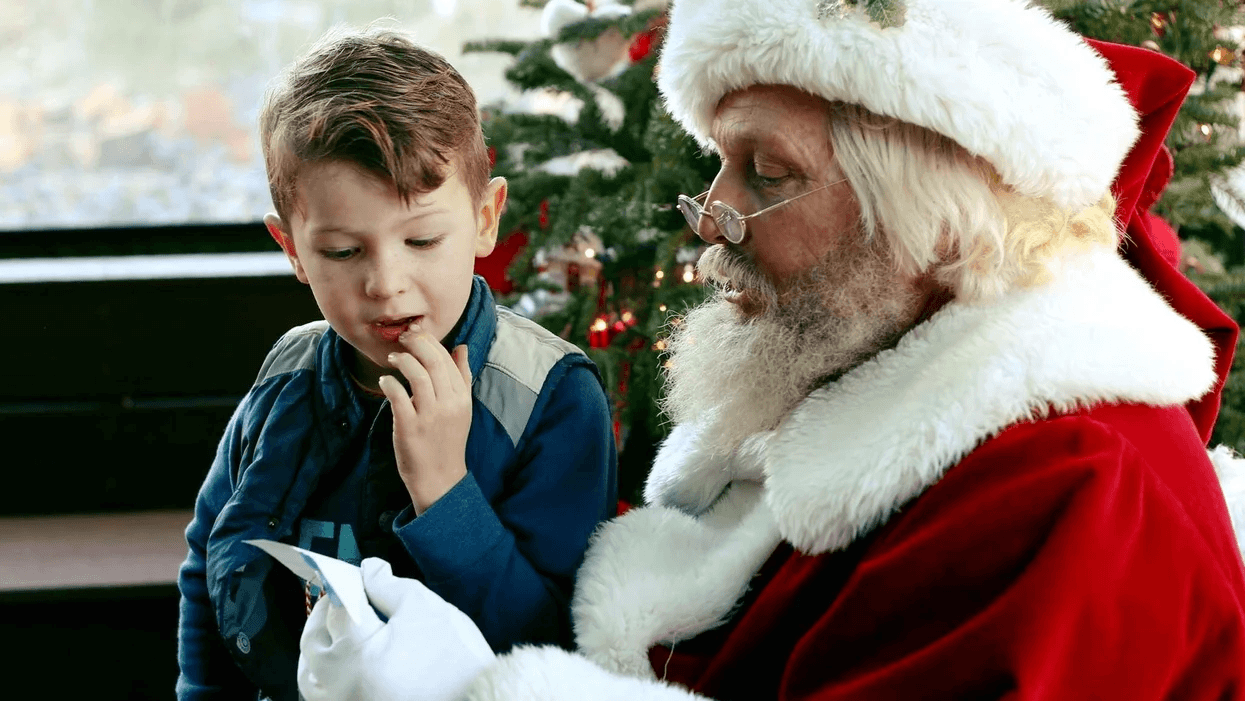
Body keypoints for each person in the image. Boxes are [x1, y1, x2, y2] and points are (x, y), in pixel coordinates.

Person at [297, 0, 1245, 699]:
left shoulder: (1074, 483)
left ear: (934, 223)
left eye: (767, 171)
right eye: (720, 162)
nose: (712, 219)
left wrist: (475, 686)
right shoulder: (865, 370)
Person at [175, 26, 618, 701]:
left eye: (422, 239)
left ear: (485, 217)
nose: (386, 283)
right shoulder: (286, 374)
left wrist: (443, 491)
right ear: (291, 248)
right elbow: (208, 562)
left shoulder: (549, 398)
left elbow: (551, 645)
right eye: (343, 252)